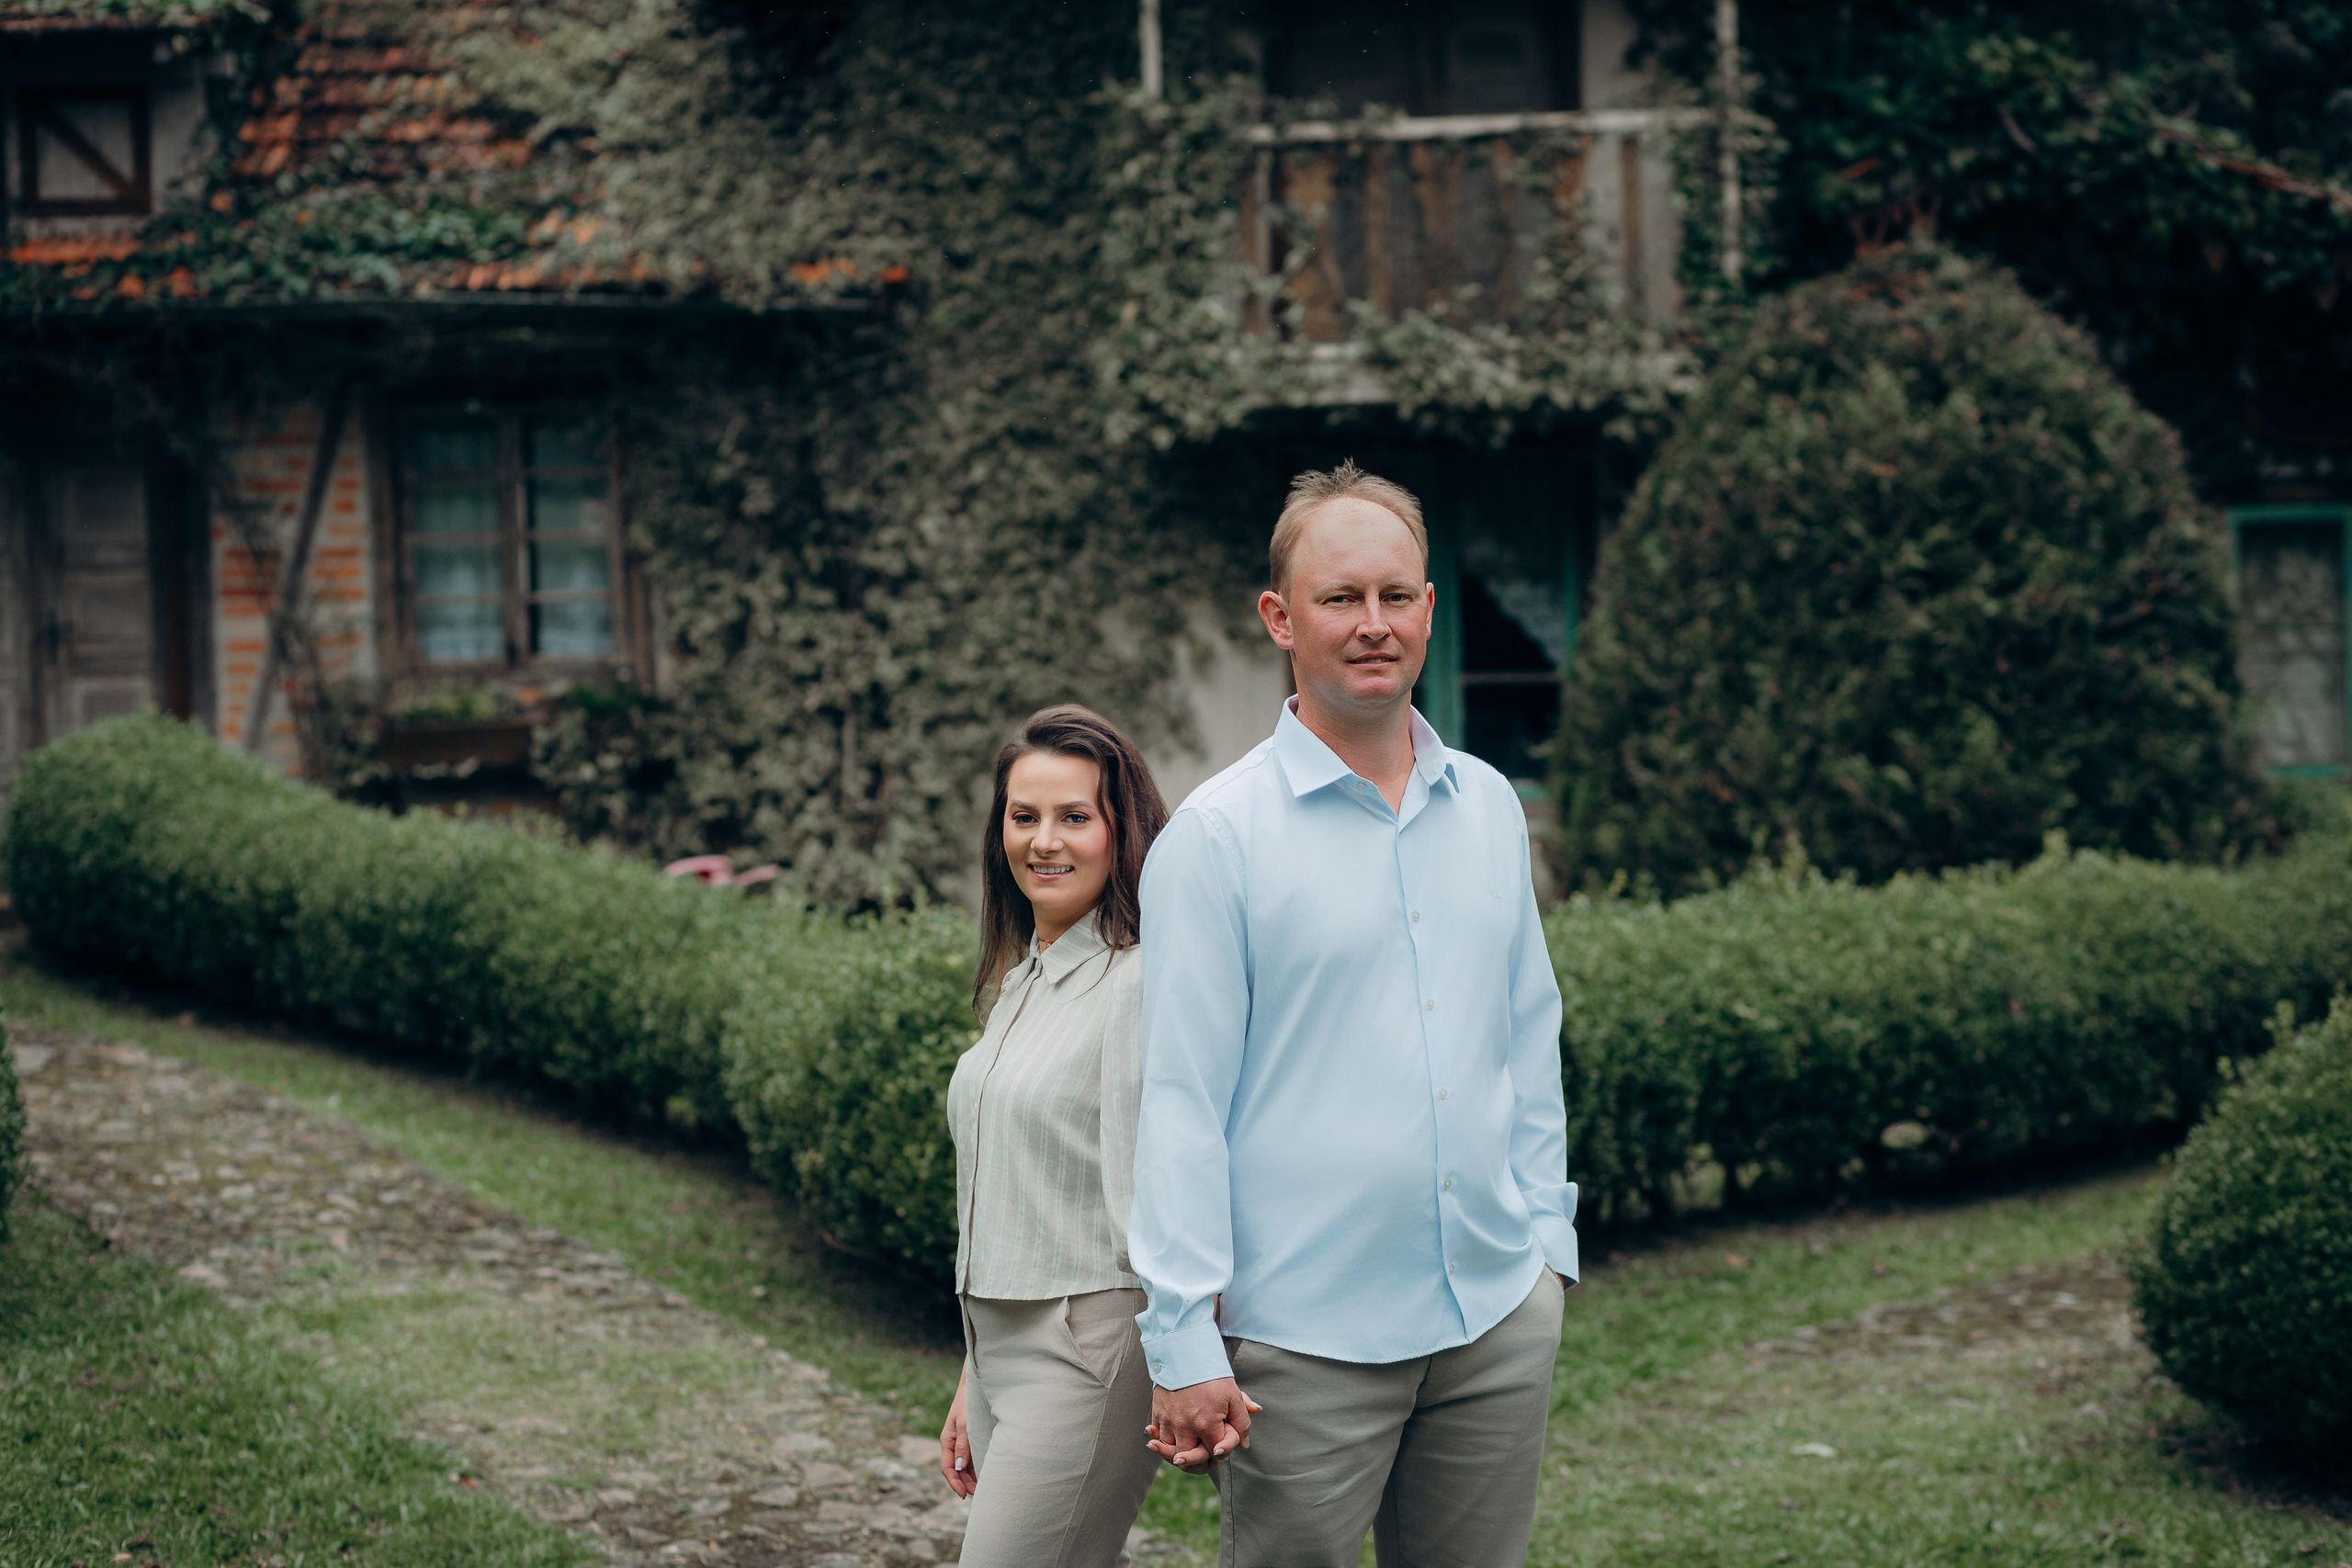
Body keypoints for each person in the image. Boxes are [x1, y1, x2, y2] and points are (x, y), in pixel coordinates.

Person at [1130, 463, 1577, 1566]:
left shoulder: (1484, 807)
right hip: (1304, 1346)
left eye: (1395, 596)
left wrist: (1546, 1246)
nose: (1372, 625)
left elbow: (1527, 1038)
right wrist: (1183, 1335)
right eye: (1339, 600)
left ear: (1430, 607)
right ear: (1280, 619)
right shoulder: (1216, 839)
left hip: (1493, 1319)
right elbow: (1180, 1103)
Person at [937, 704, 1172, 1568]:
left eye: (1076, 816)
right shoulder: (1024, 978)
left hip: (1089, 1345)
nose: (1045, 841)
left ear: (1122, 828)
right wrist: (975, 1370)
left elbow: (1157, 1193)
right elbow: (1006, 1191)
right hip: (1000, 1346)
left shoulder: (1139, 982)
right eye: (1023, 815)